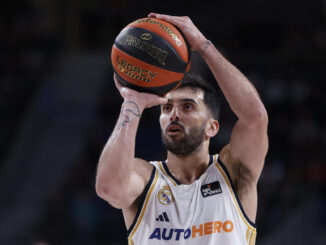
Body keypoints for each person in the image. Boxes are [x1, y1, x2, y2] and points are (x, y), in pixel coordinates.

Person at [96, 13, 268, 245]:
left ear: (212, 128)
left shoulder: (233, 173)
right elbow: (108, 188)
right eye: (166, 108)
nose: (173, 114)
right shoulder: (145, 177)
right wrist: (132, 102)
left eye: (188, 106)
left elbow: (255, 118)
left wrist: (205, 47)